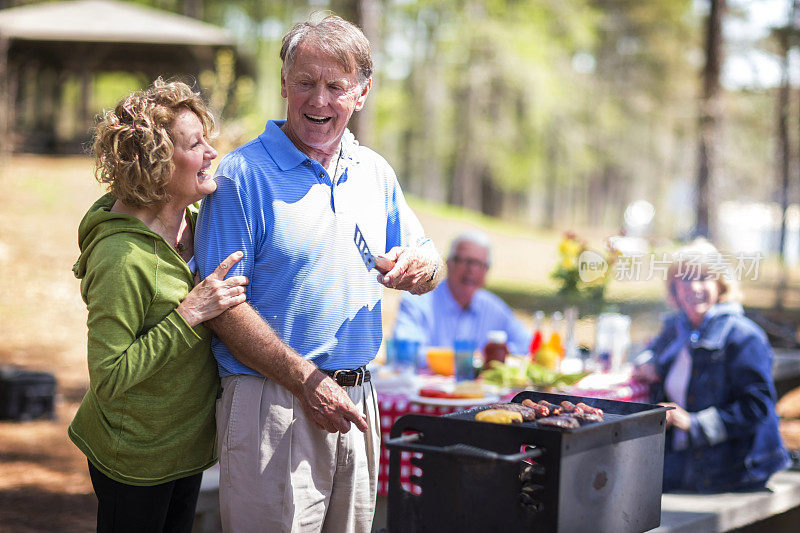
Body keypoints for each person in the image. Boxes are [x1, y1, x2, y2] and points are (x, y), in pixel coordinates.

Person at [194, 14, 443, 532]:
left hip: (357, 403)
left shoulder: (375, 172)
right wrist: (306, 380)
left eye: (336, 86)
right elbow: (222, 307)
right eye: (305, 83)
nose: (318, 101)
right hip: (273, 404)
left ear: (363, 92)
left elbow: (426, 255)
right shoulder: (242, 177)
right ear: (284, 83)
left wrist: (425, 267)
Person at [69, 79, 249, 532]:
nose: (212, 152)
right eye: (195, 144)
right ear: (156, 164)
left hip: (183, 450)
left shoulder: (193, 226)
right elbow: (109, 377)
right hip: (134, 458)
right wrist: (189, 313)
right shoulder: (121, 258)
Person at [633, 239, 790, 493]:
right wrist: (648, 363)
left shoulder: (743, 336)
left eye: (704, 277)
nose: (694, 287)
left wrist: (693, 423)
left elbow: (757, 407)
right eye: (685, 279)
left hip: (732, 469)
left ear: (720, 285)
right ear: (673, 289)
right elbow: (650, 353)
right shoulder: (676, 328)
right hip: (683, 462)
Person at [393, 231, 531, 354]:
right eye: (466, 261)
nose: (472, 270)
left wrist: (495, 354)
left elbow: (528, 345)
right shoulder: (418, 301)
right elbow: (403, 350)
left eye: (479, 265)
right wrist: (464, 359)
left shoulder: (494, 308)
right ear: (449, 263)